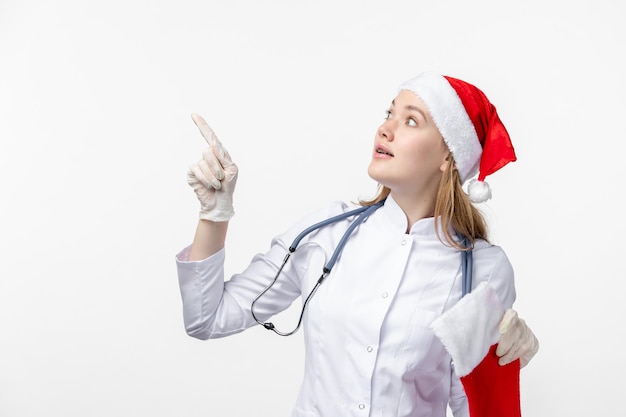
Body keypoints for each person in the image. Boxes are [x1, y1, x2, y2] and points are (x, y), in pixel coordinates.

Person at [175, 71, 539, 417]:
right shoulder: (325, 233)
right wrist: (215, 213)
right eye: (389, 114)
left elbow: (474, 407)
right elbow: (207, 319)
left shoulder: (484, 269)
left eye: (411, 121)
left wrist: (503, 370)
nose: (386, 129)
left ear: (449, 156)